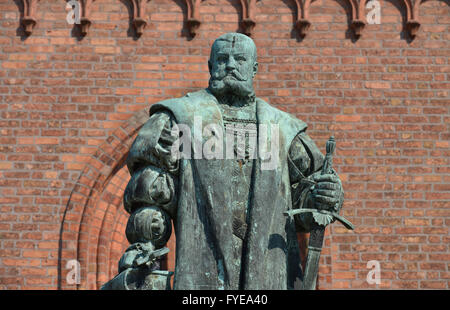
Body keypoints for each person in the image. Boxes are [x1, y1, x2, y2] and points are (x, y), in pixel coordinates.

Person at [114, 32, 344, 290]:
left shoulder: (282, 129)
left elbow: (305, 195)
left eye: (240, 59)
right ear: (210, 67)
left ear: (254, 68)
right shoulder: (181, 118)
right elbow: (153, 191)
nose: (231, 65)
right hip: (202, 271)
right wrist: (146, 244)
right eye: (222, 59)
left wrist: (323, 194)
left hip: (269, 272)